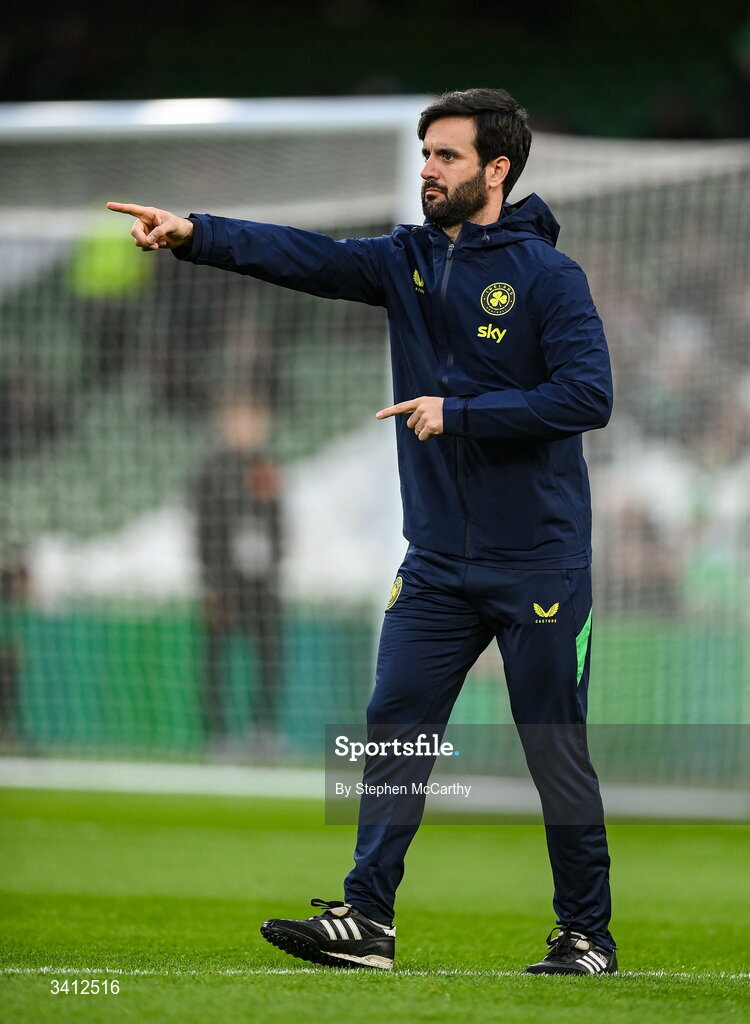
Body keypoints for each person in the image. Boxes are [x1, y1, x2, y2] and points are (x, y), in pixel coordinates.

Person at [107, 87, 616, 976]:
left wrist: (458, 414)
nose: (427, 168)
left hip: (539, 560)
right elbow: (302, 256)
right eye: (425, 153)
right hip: (436, 565)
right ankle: (367, 919)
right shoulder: (406, 261)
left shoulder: (548, 277)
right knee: (391, 727)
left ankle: (587, 935)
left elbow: (587, 397)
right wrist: (195, 233)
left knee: (552, 749)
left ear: (496, 170)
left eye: (447, 156)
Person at [189, 393, 283, 747]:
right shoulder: (210, 471)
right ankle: (218, 733)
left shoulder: (266, 465)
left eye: (253, 420)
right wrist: (212, 584)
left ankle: (264, 730)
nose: (246, 428)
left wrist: (274, 570)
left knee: (270, 656)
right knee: (216, 659)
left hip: (262, 583)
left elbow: (277, 525)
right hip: (224, 582)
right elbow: (202, 530)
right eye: (239, 420)